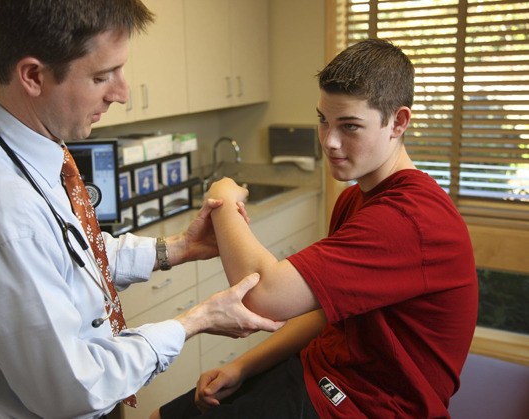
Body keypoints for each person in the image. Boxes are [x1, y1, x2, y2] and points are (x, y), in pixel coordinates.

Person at [0, 1, 283, 418]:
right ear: (33, 75)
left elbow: (70, 254)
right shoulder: (1, 219)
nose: (122, 93)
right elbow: (75, 387)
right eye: (101, 76)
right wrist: (195, 321)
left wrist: (177, 248)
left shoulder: (17, 138)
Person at [153, 39, 478, 418]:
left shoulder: (408, 219)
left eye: (350, 126)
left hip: (364, 405)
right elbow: (326, 312)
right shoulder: (355, 199)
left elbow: (264, 296)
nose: (330, 141)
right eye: (324, 120)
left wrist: (223, 198)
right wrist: (244, 366)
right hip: (319, 371)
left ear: (399, 122)